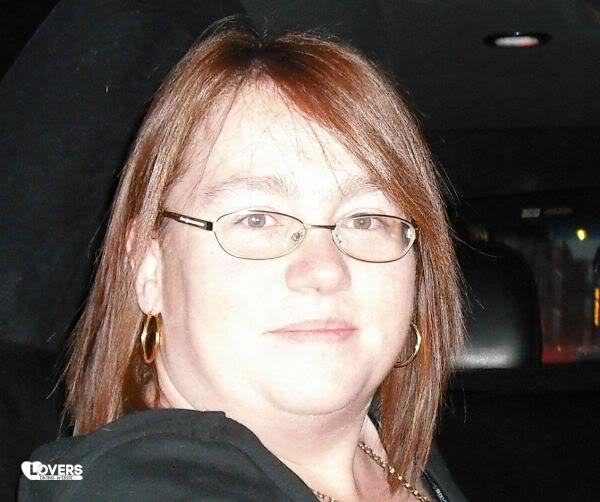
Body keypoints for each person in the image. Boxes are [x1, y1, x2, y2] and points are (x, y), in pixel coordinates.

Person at [19, 16, 463, 502]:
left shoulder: (401, 454)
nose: (325, 269)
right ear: (149, 267)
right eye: (257, 219)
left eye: (365, 220)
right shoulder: (128, 488)